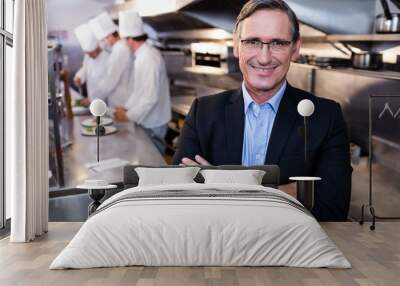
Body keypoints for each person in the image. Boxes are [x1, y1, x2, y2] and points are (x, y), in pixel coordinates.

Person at [172, 0, 352, 221]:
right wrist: (289, 191)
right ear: (237, 47)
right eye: (252, 42)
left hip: (288, 250)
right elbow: (179, 197)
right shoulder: (204, 112)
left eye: (277, 43)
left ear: (295, 49)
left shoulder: (325, 117)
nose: (264, 57)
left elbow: (333, 207)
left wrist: (226, 187)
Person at [113, 10, 171, 154]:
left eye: (124, 39)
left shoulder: (149, 58)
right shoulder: (142, 55)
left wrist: (129, 115)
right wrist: (127, 107)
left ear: (130, 39)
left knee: (154, 163)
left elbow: (150, 97)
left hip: (153, 122)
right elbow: (139, 90)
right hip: (147, 118)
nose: (123, 43)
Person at [88, 12, 132, 108]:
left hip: (121, 103)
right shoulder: (122, 47)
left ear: (110, 35)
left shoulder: (119, 49)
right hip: (122, 100)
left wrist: (93, 99)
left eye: (104, 39)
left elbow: (110, 81)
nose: (104, 43)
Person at [73, 23, 109, 107]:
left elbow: (108, 86)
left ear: (97, 48)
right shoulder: (88, 56)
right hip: (92, 101)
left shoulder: (108, 59)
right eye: (87, 53)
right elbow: (85, 68)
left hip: (104, 103)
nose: (88, 56)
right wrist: (79, 77)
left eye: (90, 53)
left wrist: (93, 99)